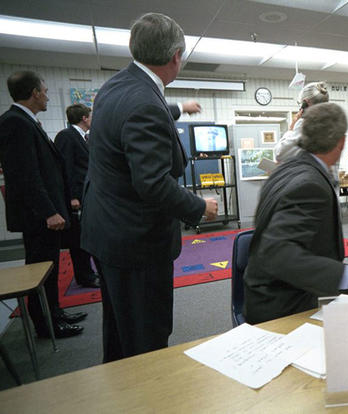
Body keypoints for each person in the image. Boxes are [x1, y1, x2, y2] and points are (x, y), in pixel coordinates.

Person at [80, 13, 218, 362]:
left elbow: (141, 114)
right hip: (136, 241)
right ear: (176, 57)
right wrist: (199, 207)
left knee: (120, 330)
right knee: (146, 339)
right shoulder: (144, 103)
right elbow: (153, 183)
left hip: (107, 231)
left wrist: (179, 108)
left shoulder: (116, 87)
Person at [243, 103, 348, 324]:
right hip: (284, 310)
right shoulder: (311, 185)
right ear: (341, 142)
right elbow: (277, 254)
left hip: (271, 295)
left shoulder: (285, 168)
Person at [0, 71, 85, 338]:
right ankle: (46, 324)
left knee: (49, 267)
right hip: (39, 216)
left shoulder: (27, 121)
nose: (48, 95)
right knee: (40, 269)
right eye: (45, 91)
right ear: (35, 93)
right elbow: (25, 174)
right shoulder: (15, 123)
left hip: (45, 212)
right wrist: (49, 211)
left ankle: (55, 313)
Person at [54, 104, 100, 289]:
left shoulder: (86, 138)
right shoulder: (67, 136)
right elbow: (66, 169)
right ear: (84, 118)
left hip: (89, 196)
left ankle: (89, 272)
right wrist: (73, 196)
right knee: (79, 240)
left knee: (89, 236)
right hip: (77, 198)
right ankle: (84, 276)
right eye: (90, 115)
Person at [274, 81, 329, 162]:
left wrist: (291, 129)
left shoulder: (304, 126)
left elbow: (279, 154)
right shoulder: (332, 125)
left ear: (305, 103)